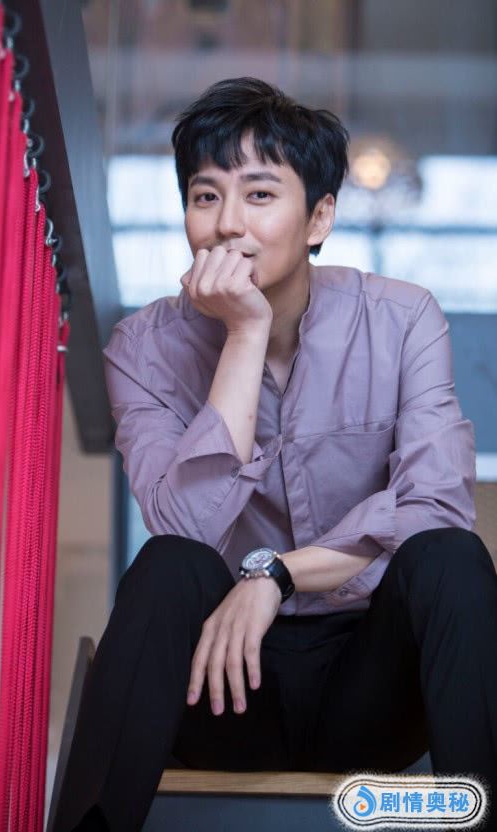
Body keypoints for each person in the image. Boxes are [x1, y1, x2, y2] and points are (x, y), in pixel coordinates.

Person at [53, 77, 497, 832]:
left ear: (319, 215)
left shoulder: (401, 319)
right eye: (205, 196)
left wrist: (277, 573)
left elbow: (435, 508)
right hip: (223, 683)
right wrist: (244, 334)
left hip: (371, 682)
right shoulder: (142, 349)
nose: (227, 224)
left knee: (450, 557)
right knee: (167, 564)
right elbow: (187, 529)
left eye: (259, 194)